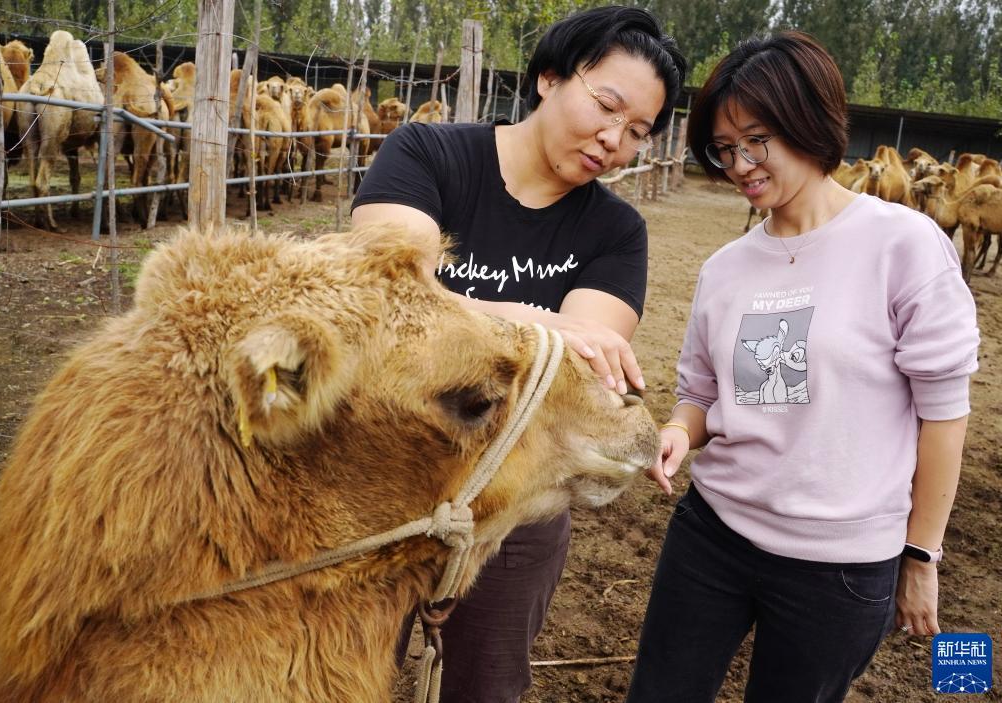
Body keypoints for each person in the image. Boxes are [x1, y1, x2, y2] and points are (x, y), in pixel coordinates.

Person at [627, 32, 979, 703]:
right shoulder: (724, 268)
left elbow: (943, 414)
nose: (739, 163)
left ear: (807, 121)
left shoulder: (901, 245)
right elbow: (700, 393)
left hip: (840, 564)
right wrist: (678, 431)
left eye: (755, 138)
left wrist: (920, 554)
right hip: (712, 533)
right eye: (724, 148)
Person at [351, 6, 685, 701]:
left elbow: (580, 363)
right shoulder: (425, 153)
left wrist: (472, 312)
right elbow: (386, 292)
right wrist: (536, 319)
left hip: (511, 499)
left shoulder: (616, 232)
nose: (611, 140)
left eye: (636, 132)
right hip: (370, 475)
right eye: (605, 105)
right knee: (336, 670)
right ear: (549, 77)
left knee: (484, 684)